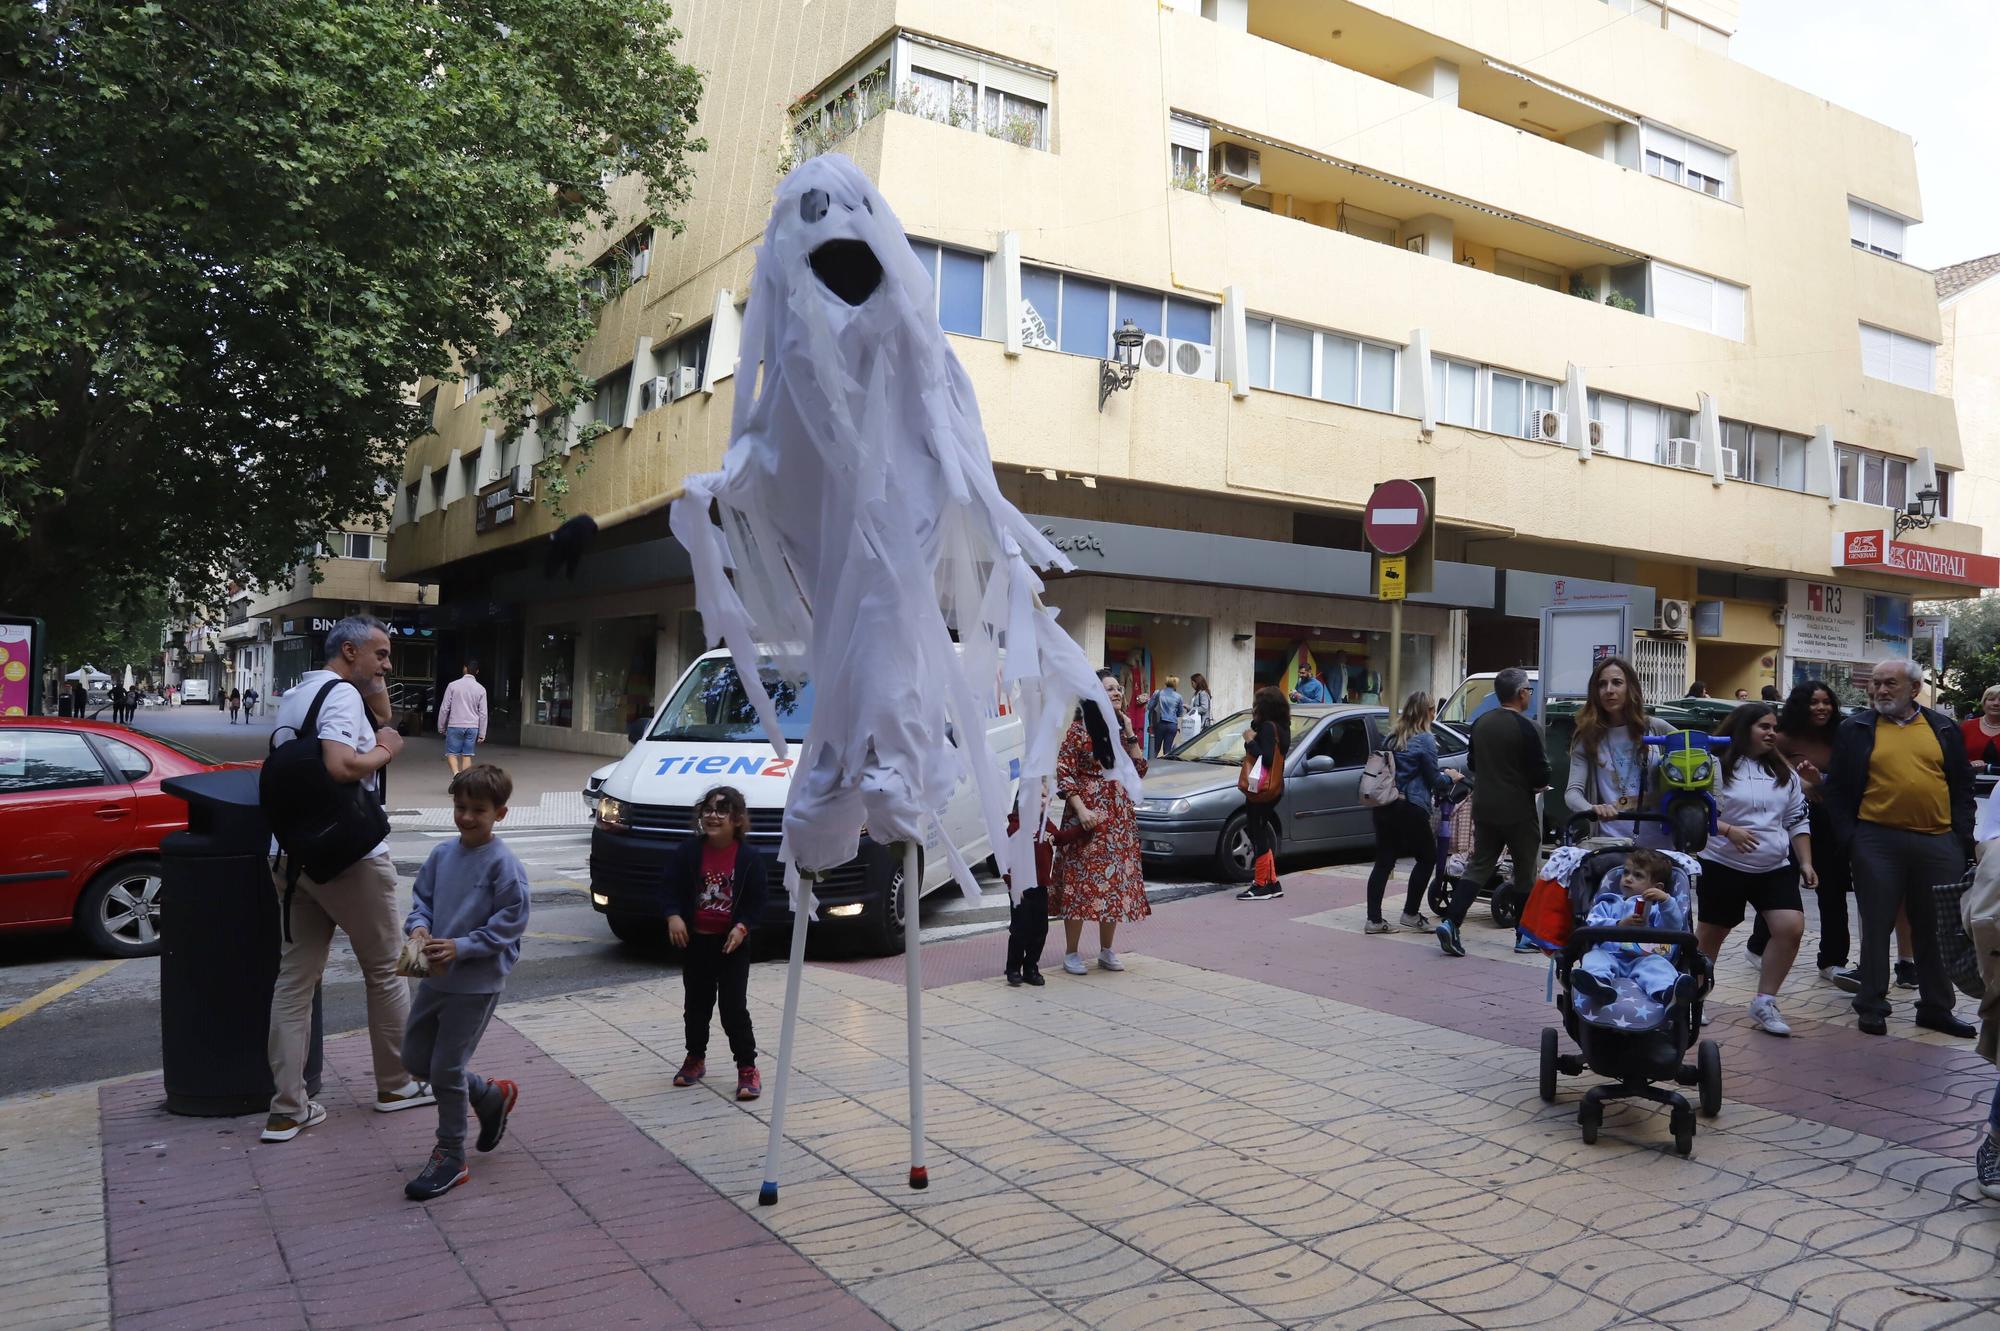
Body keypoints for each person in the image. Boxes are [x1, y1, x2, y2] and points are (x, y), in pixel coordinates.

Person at [260, 615, 429, 1144]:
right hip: (350, 853)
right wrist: (386, 751)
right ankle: (397, 1084)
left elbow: (379, 717)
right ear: (349, 651)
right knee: (392, 968)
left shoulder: (300, 694)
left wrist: (375, 693)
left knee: (294, 981)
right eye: (380, 655)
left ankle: (288, 1109)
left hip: (291, 854)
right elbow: (340, 764)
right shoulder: (338, 697)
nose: (387, 665)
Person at [1823, 659, 1976, 1038]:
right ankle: (1872, 1003)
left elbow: (1961, 787)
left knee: (1938, 928)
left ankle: (1936, 1008)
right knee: (1876, 925)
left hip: (1938, 840)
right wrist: (1852, 838)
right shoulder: (1855, 728)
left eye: (1889, 683)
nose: (1880, 691)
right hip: (1876, 839)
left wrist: (1960, 838)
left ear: (1914, 687)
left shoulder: (1942, 728)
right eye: (1875, 684)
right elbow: (1838, 789)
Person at [399, 763, 530, 1200]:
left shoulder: (504, 864)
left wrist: (462, 947)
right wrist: (418, 928)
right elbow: (422, 901)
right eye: (460, 807)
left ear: (501, 813)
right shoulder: (441, 855)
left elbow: (510, 924)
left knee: (446, 1069)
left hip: (476, 983)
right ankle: (489, 1096)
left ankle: (451, 1155)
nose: (467, 817)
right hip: (434, 977)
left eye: (478, 809)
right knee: (418, 1060)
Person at [1694, 703, 1815, 1036]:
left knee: (1790, 927)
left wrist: (1805, 861)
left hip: (1774, 865)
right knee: (1711, 936)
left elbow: (1796, 818)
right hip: (1722, 863)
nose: (1771, 733)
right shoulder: (1714, 765)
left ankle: (1764, 1001)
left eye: (1774, 727)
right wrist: (1729, 830)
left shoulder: (1784, 772)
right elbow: (1695, 812)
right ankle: (1694, 997)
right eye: (1763, 726)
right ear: (1742, 728)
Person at [1748, 682, 1857, 983]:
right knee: (1781, 890)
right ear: (1799, 705)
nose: (1821, 708)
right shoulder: (1781, 738)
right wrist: (1800, 783)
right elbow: (1768, 771)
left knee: (1833, 892)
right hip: (1790, 824)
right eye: (1813, 702)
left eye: (1826, 702)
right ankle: (1758, 947)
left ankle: (1833, 960)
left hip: (1830, 824)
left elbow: (1846, 781)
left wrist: (1818, 780)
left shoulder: (1841, 737)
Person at [667, 786, 770, 1100]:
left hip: (731, 948)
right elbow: (668, 888)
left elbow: (758, 901)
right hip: (697, 944)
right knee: (696, 1006)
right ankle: (695, 1058)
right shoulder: (688, 851)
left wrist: (742, 927)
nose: (713, 816)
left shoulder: (749, 858)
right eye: (708, 809)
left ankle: (747, 1067)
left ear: (737, 819)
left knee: (733, 1008)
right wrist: (673, 915)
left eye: (721, 810)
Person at [1438, 667, 1549, 956]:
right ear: (1522, 693)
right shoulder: (1529, 728)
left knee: (1479, 865)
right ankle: (1524, 936)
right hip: (1518, 810)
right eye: (1529, 690)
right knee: (1525, 870)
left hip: (1483, 805)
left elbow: (1473, 764)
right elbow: (1541, 777)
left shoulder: (1481, 723)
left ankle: (1451, 922)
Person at [1052, 669, 1150, 970]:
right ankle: (1071, 951)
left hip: (1118, 821)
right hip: (1088, 819)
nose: (1117, 693)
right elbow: (1064, 772)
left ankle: (1107, 950)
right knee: (1081, 884)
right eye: (1109, 689)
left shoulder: (1120, 731)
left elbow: (1140, 769)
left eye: (1118, 688)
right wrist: (1081, 810)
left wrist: (1131, 730)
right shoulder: (1080, 730)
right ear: (1094, 695)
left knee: (1113, 883)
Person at [1363, 692, 1458, 934]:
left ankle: (1373, 920)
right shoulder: (1425, 739)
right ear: (1427, 712)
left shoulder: (1392, 737)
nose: (1434, 714)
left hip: (1385, 805)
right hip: (1410, 807)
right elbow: (1435, 779)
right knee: (1427, 858)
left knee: (1384, 861)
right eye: (1433, 710)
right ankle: (1411, 913)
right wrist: (1451, 777)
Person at [1565, 656, 1676, 847]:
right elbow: (1572, 793)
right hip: (1611, 843)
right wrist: (1593, 809)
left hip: (1660, 843)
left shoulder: (1655, 728)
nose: (1609, 690)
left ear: (1630, 688)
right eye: (1602, 684)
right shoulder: (1588, 736)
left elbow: (1702, 756)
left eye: (1617, 683)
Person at [1571, 849, 1688, 1006]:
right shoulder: (1608, 903)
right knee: (1594, 957)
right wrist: (1618, 925)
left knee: (1658, 966)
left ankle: (1667, 994)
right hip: (1610, 955)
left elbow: (1673, 926)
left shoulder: (1655, 909)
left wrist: (1666, 901)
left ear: (1657, 887)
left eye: (1638, 875)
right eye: (1626, 873)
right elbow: (1592, 923)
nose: (1628, 879)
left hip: (1643, 958)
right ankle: (1597, 984)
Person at [1235, 686, 1291, 902]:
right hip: (1273, 789)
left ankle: (1260, 884)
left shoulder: (1268, 728)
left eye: (1257, 703)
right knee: (1260, 832)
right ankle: (1272, 882)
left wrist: (1250, 740)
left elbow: (1265, 758)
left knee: (1258, 833)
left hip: (1261, 789)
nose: (1253, 706)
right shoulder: (1280, 727)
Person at [1003, 780, 1055, 988]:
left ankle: (1031, 967)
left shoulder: (1046, 825)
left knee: (1040, 929)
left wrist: (1085, 829)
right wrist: (1012, 884)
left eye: (1044, 796)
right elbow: (1005, 861)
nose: (1042, 801)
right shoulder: (1015, 827)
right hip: (1021, 889)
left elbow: (1060, 837)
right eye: (1037, 797)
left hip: (1040, 887)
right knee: (1020, 929)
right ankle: (1013, 967)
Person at [437, 661, 490, 782]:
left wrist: (441, 726)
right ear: (477, 672)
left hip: (455, 725)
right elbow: (483, 713)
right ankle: (464, 779)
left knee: (451, 753)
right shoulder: (481, 689)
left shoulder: (452, 685)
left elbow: (445, 708)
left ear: (464, 669)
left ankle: (456, 774)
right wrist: (482, 733)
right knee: (467, 755)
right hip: (472, 727)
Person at [1959, 684, 2000, 772]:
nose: (1996, 703)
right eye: (1991, 699)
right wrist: (1970, 763)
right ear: (1984, 703)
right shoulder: (1967, 727)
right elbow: (1954, 755)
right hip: (1971, 782)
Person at [1150, 676, 1185, 758]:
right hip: (1172, 726)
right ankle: (1165, 768)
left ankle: (1150, 767)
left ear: (1166, 683)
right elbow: (1180, 713)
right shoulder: (1179, 697)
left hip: (1159, 724)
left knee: (1155, 749)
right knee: (1167, 751)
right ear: (1175, 685)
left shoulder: (1158, 693)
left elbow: (1150, 707)